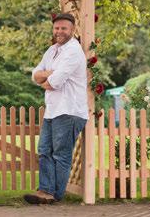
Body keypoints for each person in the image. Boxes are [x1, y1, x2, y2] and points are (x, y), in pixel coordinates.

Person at [24, 13, 89, 204]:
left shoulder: (73, 51)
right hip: (53, 110)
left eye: (64, 28)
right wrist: (46, 75)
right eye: (57, 28)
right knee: (44, 150)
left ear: (72, 30)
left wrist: (47, 77)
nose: (59, 31)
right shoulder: (52, 50)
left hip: (70, 110)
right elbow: (35, 75)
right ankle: (45, 191)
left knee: (60, 154)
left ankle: (54, 194)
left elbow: (53, 83)